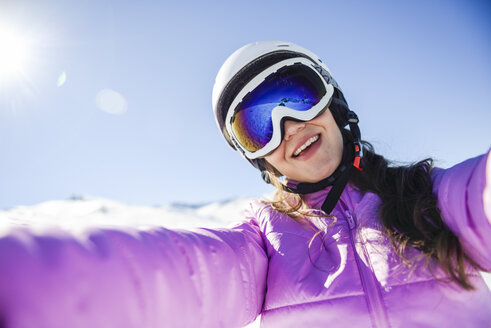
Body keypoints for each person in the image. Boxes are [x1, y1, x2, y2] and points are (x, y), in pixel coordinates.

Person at [0, 41, 489, 328]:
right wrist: (25, 281)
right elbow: (179, 275)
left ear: (333, 104)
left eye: (296, 96)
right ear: (258, 158)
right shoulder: (265, 241)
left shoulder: (431, 195)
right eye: (258, 126)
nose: (289, 127)